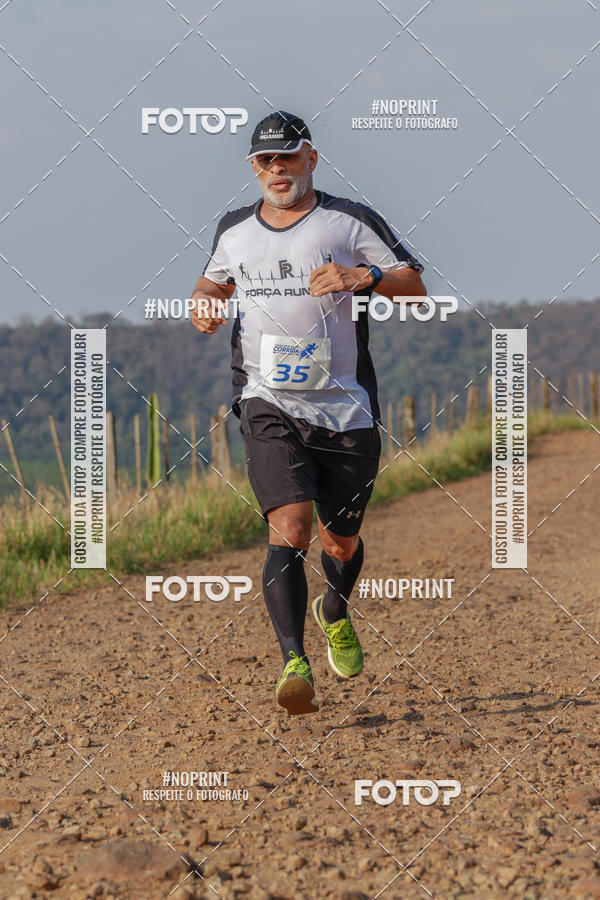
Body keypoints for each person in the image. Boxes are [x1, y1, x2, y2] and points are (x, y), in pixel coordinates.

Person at [191, 111, 426, 715]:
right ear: (253, 168)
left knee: (340, 542)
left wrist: (364, 276)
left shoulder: (348, 220)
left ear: (311, 159)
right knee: (290, 528)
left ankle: (335, 610)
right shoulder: (235, 230)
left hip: (345, 409)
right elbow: (213, 283)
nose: (277, 170)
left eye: (287, 158)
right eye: (266, 161)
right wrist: (203, 302)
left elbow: (414, 284)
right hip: (268, 401)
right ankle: (294, 662)